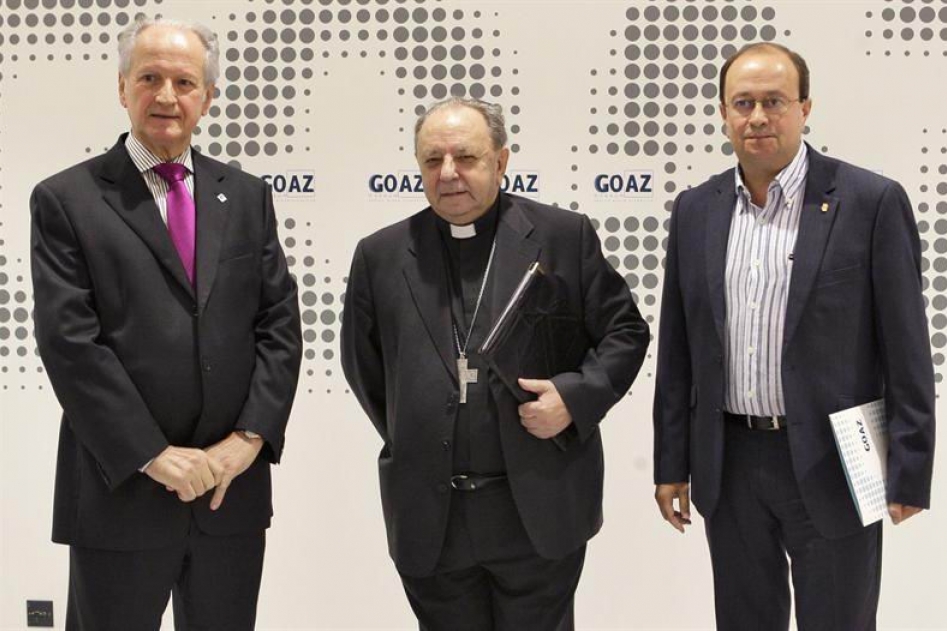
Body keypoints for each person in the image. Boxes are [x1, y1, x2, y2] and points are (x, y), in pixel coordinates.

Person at [30, 17, 302, 631]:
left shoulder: (249, 197)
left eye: (185, 81)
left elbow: (279, 324)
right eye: (150, 77)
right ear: (122, 87)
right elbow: (71, 343)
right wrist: (153, 454)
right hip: (121, 489)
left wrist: (248, 440)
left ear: (207, 97)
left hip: (229, 491)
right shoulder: (66, 200)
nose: (167, 96)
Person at [653, 42, 935, 630]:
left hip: (832, 461)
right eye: (744, 103)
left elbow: (908, 349)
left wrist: (910, 469)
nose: (758, 117)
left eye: (775, 102)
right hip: (729, 465)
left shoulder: (870, 203)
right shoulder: (695, 210)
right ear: (725, 113)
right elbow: (679, 352)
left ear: (806, 108)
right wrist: (671, 463)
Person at [341, 97, 648, 630]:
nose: (449, 174)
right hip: (433, 515)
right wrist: (417, 422)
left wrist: (573, 399)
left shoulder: (562, 237)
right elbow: (364, 366)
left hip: (536, 509)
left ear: (501, 162)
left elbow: (624, 332)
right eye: (432, 160)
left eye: (466, 157)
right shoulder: (381, 254)